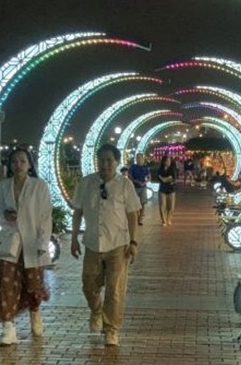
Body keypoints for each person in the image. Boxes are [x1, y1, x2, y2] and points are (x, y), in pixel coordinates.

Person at [0, 147, 52, 346]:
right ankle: (8, 328)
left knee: (33, 285)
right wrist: (5, 217)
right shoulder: (3, 186)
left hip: (32, 243)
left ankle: (35, 311)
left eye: (22, 161)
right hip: (11, 242)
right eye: (14, 161)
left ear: (29, 164)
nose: (18, 165)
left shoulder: (39, 186)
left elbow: (45, 216)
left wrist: (43, 242)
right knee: (6, 283)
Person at [70, 143, 140, 347]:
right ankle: (96, 310)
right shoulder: (86, 183)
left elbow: (132, 214)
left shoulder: (125, 185)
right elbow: (78, 212)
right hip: (92, 243)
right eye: (102, 160)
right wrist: (74, 238)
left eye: (110, 160)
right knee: (89, 285)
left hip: (118, 244)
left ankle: (111, 329)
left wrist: (134, 241)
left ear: (116, 162)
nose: (105, 164)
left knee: (114, 289)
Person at [128, 153, 150, 226]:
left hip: (143, 187)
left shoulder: (145, 167)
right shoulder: (133, 167)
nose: (139, 159)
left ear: (143, 159)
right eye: (137, 158)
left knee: (143, 203)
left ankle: (140, 219)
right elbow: (130, 176)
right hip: (134, 187)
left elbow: (149, 177)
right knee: (135, 203)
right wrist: (136, 181)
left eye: (140, 158)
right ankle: (137, 216)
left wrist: (145, 182)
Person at [157, 155, 177, 226]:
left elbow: (173, 178)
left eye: (169, 161)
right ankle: (164, 221)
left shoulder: (172, 169)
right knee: (162, 205)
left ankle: (169, 219)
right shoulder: (160, 169)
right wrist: (166, 178)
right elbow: (160, 179)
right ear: (164, 162)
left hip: (171, 189)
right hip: (162, 189)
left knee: (170, 206)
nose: (169, 162)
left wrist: (164, 179)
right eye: (167, 161)